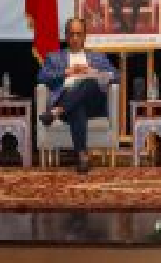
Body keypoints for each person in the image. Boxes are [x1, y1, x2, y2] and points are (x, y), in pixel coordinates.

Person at [37, 18, 118, 173]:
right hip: (67, 101)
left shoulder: (97, 57)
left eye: (78, 34)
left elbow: (116, 75)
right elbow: (42, 77)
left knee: (89, 81)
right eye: (71, 34)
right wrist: (66, 72)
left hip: (93, 103)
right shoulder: (54, 57)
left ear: (84, 36)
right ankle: (82, 157)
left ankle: (56, 111)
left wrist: (93, 72)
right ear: (66, 36)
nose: (75, 38)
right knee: (77, 107)